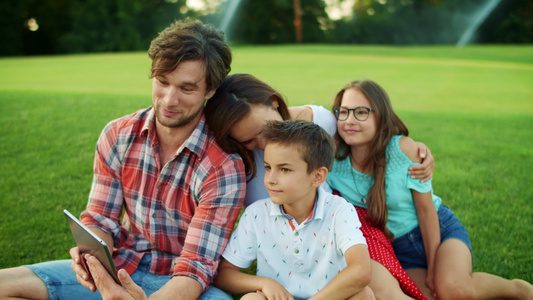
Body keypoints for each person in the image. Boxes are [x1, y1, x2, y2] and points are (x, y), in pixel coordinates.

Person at [0, 18, 245, 300]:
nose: (168, 99)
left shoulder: (223, 165)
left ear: (210, 90)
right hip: (120, 268)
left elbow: (195, 267)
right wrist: (95, 266)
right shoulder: (117, 135)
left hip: (183, 285)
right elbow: (101, 221)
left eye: (186, 89)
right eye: (162, 82)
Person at [205, 73, 432, 299]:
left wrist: (413, 150)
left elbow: (366, 135)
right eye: (249, 141)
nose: (265, 143)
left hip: (333, 230)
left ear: (274, 103)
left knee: (379, 291)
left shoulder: (319, 122)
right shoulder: (238, 167)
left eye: (266, 128)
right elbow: (225, 272)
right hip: (281, 245)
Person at [326, 79, 533, 300]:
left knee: (454, 290)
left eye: (361, 112)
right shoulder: (333, 161)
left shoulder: (403, 150)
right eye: (344, 112)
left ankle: (519, 289)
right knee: (429, 296)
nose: (350, 121)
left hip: (438, 232)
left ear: (381, 117)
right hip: (398, 249)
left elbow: (426, 212)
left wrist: (434, 268)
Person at [214, 120, 374, 300]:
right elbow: (223, 274)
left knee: (363, 295)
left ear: (317, 177)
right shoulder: (256, 215)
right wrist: (265, 283)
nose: (271, 179)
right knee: (252, 299)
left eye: (285, 169)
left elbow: (361, 271)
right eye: (268, 167)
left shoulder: (339, 211)